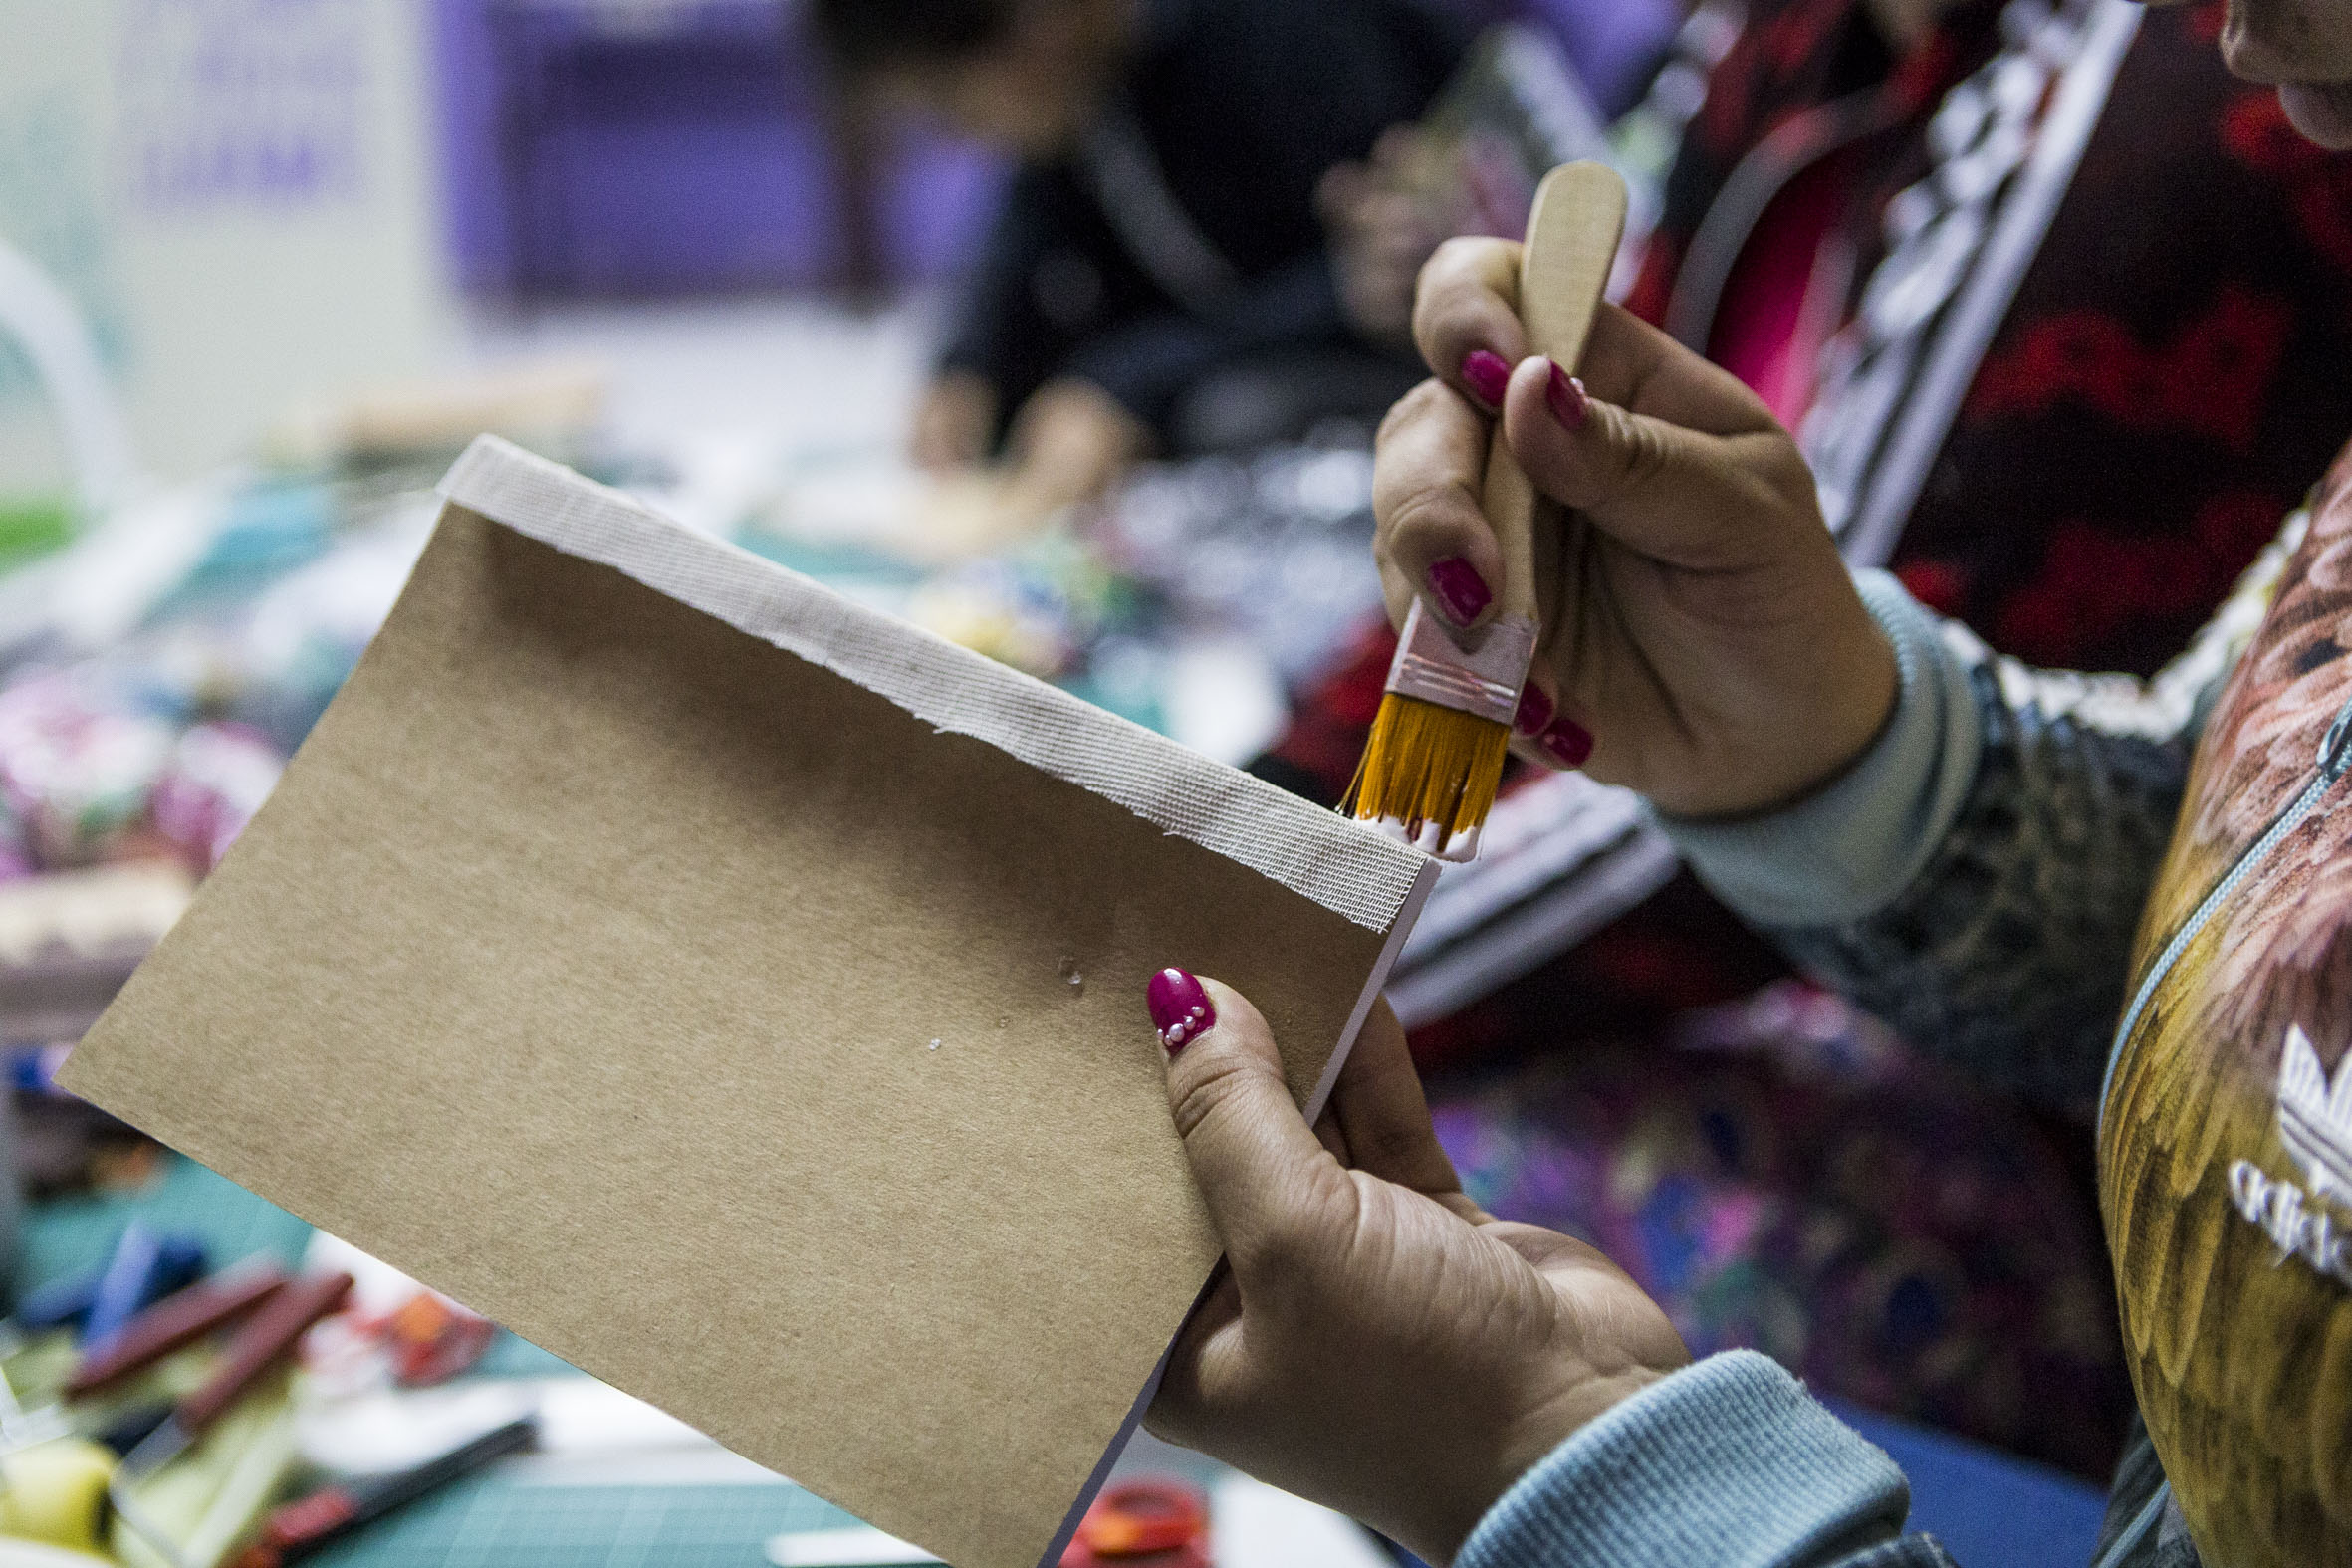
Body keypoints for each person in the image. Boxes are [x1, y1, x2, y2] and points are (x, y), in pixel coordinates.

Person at [1131, 0, 2352, 1562]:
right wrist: (1833, 749)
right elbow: (2237, 873)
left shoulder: (2145, 124)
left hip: (1991, 1159)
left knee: (1342, 1211)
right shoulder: (1776, 47)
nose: (2244, 41)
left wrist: (1577, 1472)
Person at [810, 0, 1469, 519]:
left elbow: (1367, 282)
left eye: (949, 106)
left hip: (1413, 345)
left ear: (1033, 22)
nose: (962, 135)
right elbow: (1037, 211)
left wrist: (1128, 388)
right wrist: (970, 365)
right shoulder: (1094, 73)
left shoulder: (1285, 33)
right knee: (1045, 401)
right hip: (1265, 327)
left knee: (1224, 414)